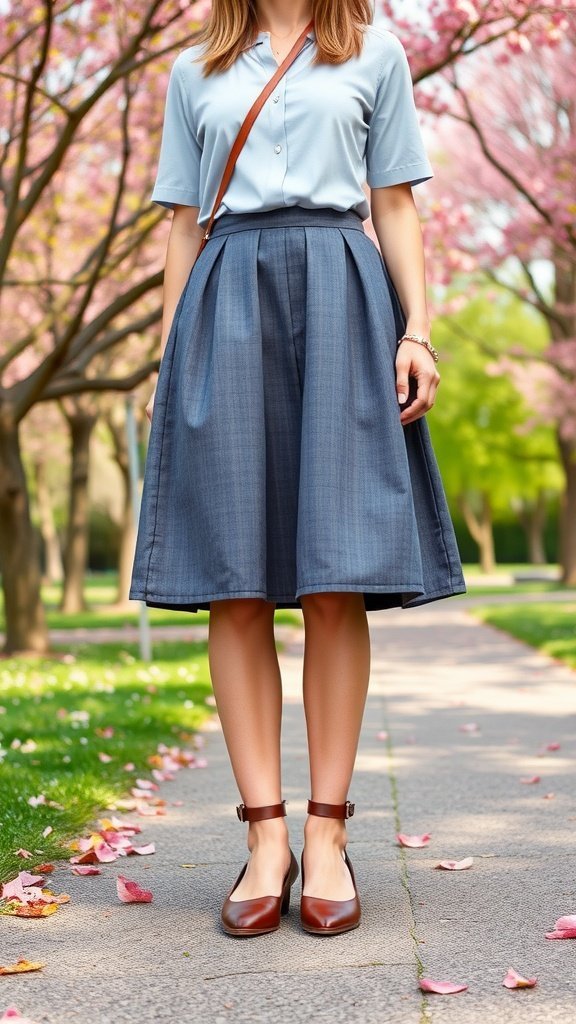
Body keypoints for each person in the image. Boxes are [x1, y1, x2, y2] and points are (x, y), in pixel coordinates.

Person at [129, 0, 466, 938]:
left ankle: (327, 834)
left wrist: (418, 330)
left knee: (333, 578)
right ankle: (264, 839)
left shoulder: (378, 54)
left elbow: (395, 199)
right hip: (226, 302)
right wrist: (172, 364)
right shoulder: (195, 70)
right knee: (233, 586)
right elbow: (182, 227)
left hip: (343, 295)